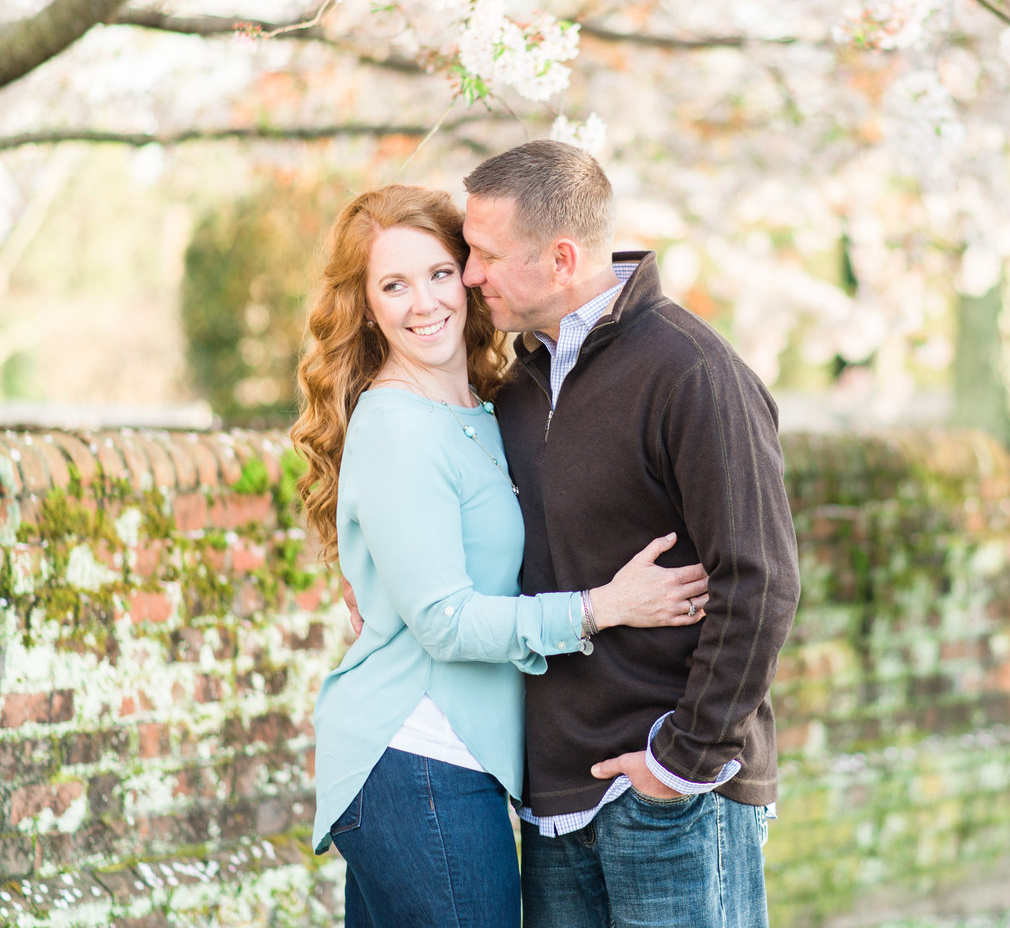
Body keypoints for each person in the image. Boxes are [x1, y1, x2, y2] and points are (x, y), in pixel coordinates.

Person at [290, 183, 711, 927]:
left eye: (440, 274)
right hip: (417, 761)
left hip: (457, 765)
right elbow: (447, 623)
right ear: (365, 305)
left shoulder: (485, 411)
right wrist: (601, 609)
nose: (424, 303)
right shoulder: (396, 425)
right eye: (393, 284)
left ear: (471, 274)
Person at [458, 141, 802, 928]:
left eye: (485, 254)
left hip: (673, 793)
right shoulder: (513, 385)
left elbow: (762, 579)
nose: (470, 275)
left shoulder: (693, 372)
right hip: (553, 804)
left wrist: (681, 760)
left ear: (563, 257)